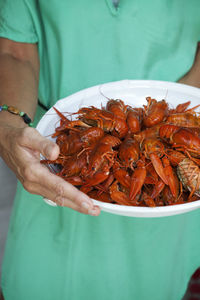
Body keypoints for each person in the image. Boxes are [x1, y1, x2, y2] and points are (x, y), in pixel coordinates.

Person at [0, 1, 200, 299]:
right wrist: (8, 125)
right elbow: (14, 50)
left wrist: (176, 103)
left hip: (169, 203)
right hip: (51, 155)